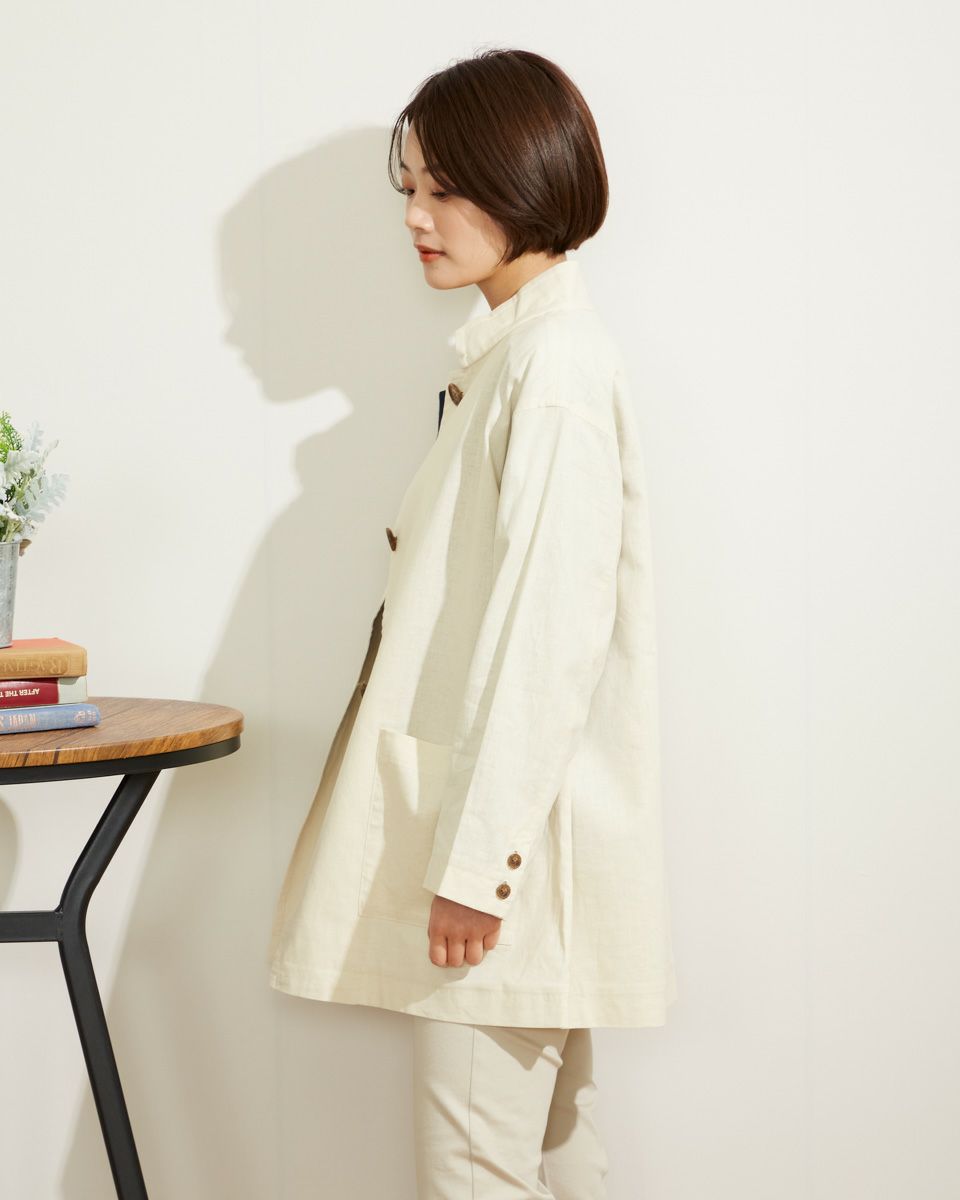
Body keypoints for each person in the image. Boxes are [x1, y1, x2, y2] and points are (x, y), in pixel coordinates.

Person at [267, 47, 678, 1199]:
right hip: (520, 852)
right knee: (556, 1160)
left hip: (506, 863)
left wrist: (478, 869)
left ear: (524, 179)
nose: (415, 215)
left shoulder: (550, 371)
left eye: (443, 188)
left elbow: (549, 641)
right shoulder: (519, 360)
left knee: (476, 1173)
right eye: (410, 186)